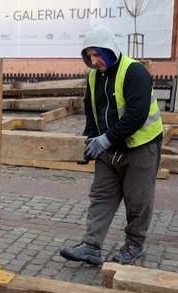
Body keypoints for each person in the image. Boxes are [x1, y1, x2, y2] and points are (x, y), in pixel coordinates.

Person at [58, 25, 163, 265]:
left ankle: (134, 245)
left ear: (111, 50)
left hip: (141, 146)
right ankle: (91, 246)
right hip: (110, 148)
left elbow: (136, 115)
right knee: (101, 196)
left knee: (138, 199)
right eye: (89, 56)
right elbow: (92, 108)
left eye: (98, 54)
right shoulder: (94, 75)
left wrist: (105, 140)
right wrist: (92, 140)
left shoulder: (135, 72)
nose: (94, 61)